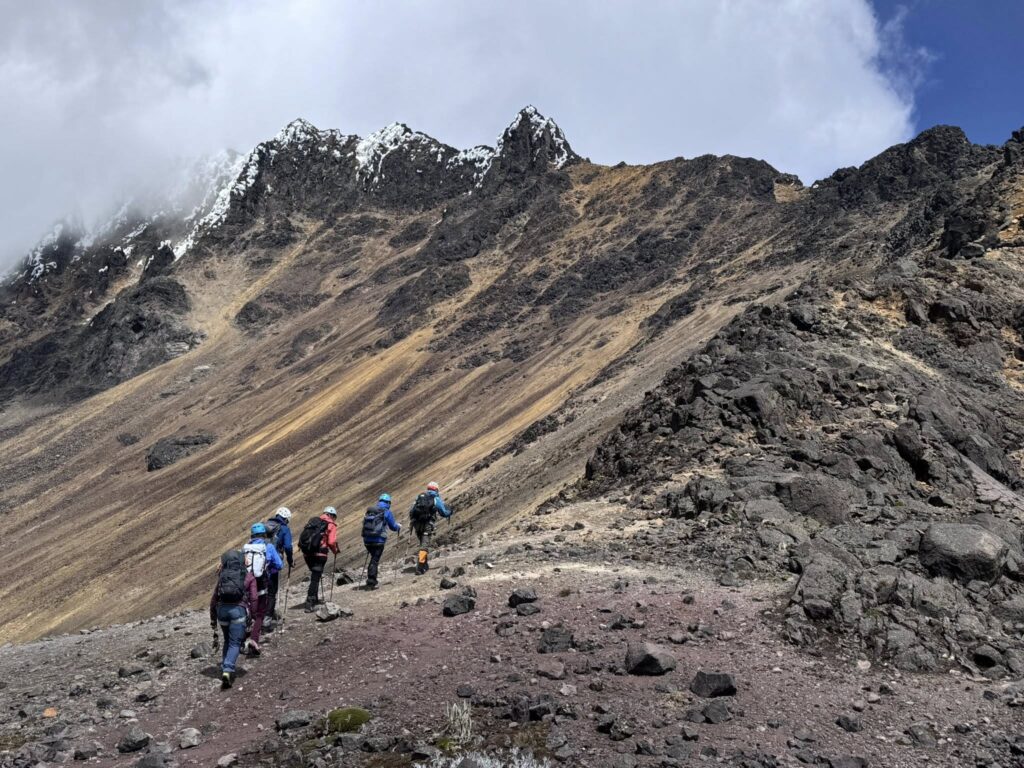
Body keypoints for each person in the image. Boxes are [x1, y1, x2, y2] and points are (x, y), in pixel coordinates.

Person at [209, 549, 258, 689]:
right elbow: (254, 598)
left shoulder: (223, 576)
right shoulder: (248, 576)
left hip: (222, 612)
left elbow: (214, 598)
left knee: (227, 640)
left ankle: (226, 667)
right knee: (235, 642)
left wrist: (213, 618)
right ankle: (228, 670)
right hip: (238, 610)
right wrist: (253, 615)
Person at [244, 522, 283, 656]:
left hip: (247, 585)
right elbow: (279, 564)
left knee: (247, 611)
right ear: (264, 535)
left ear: (252, 535)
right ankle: (254, 640)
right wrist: (268, 570)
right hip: (261, 584)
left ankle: (240, 639)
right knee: (260, 613)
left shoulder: (245, 548)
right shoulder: (269, 546)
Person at [408, 481, 451, 575]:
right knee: (424, 546)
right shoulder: (435, 498)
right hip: (427, 524)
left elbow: (411, 510)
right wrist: (450, 512)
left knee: (422, 544)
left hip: (417, 524)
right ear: (436, 489)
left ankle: (424, 565)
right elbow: (443, 512)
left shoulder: (419, 497)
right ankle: (420, 567)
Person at [301, 506, 338, 611]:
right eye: (334, 516)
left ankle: (314, 598)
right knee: (315, 578)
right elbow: (331, 542)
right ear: (331, 515)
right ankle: (310, 603)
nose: (334, 519)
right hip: (320, 554)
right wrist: (335, 551)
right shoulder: (331, 524)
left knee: (315, 576)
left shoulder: (312, 522)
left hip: (307, 554)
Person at [362, 493, 401, 589]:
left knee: (373, 559)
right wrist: (398, 527)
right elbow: (393, 526)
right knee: (374, 560)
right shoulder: (386, 512)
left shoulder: (370, 511)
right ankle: (371, 581)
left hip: (367, 540)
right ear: (388, 502)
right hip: (379, 540)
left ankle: (371, 579)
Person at [264, 507, 294, 631]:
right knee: (271, 592)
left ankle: (254, 619)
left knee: (259, 591)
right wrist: (290, 560)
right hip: (274, 565)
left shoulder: (264, 526)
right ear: (286, 519)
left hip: (259, 563)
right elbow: (288, 546)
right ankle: (266, 621)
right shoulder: (284, 529)